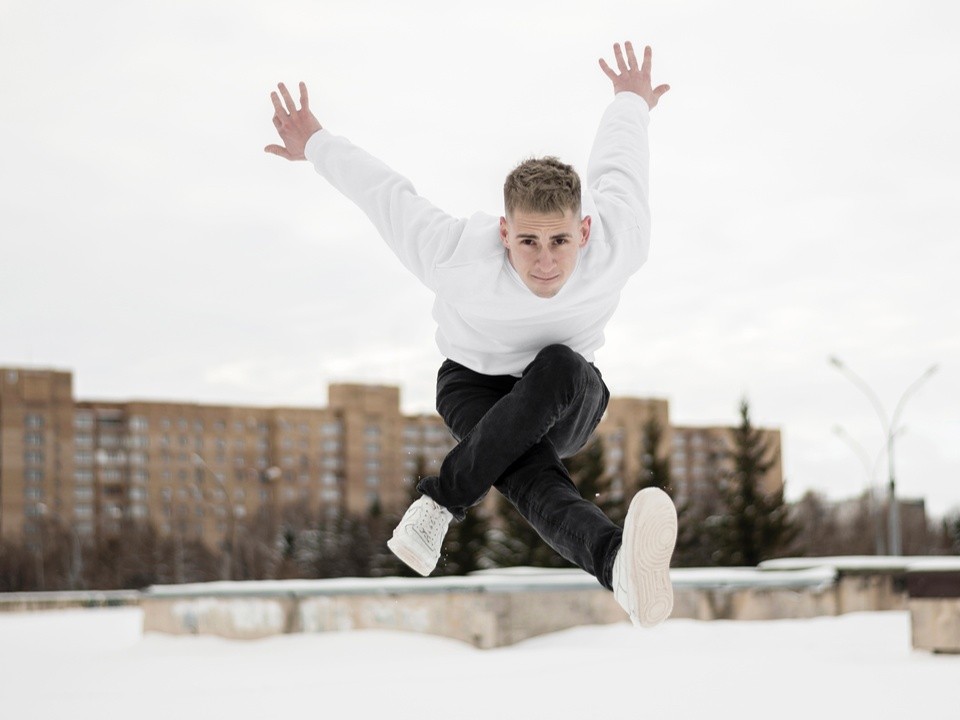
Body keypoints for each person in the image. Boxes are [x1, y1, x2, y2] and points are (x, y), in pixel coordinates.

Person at [265, 41, 677, 628]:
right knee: (533, 480)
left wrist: (630, 100)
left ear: (584, 232)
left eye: (560, 242)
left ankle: (440, 501)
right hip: (474, 390)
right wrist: (316, 144)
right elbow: (387, 196)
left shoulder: (620, 241)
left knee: (559, 363)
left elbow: (621, 164)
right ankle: (619, 569)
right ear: (503, 232)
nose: (544, 263)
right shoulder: (455, 253)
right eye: (527, 243)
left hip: (568, 397)